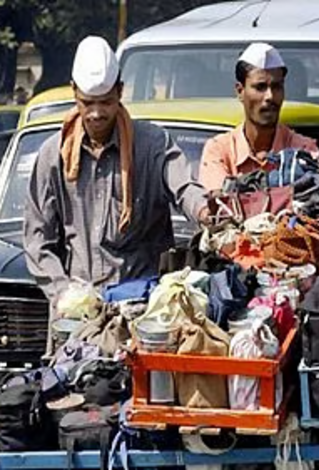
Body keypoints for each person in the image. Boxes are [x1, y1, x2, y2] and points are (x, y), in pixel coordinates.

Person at [24, 36, 211, 351]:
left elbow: (185, 188)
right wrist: (63, 293)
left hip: (141, 315)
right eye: (88, 103)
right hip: (77, 320)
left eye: (106, 102)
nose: (97, 113)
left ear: (120, 92)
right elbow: (36, 240)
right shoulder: (51, 156)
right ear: (74, 93)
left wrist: (208, 212)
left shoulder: (152, 145)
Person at [199, 43, 319, 191]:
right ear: (240, 91)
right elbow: (219, 206)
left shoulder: (303, 150)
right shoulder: (220, 151)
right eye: (260, 87)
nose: (270, 96)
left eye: (277, 87)